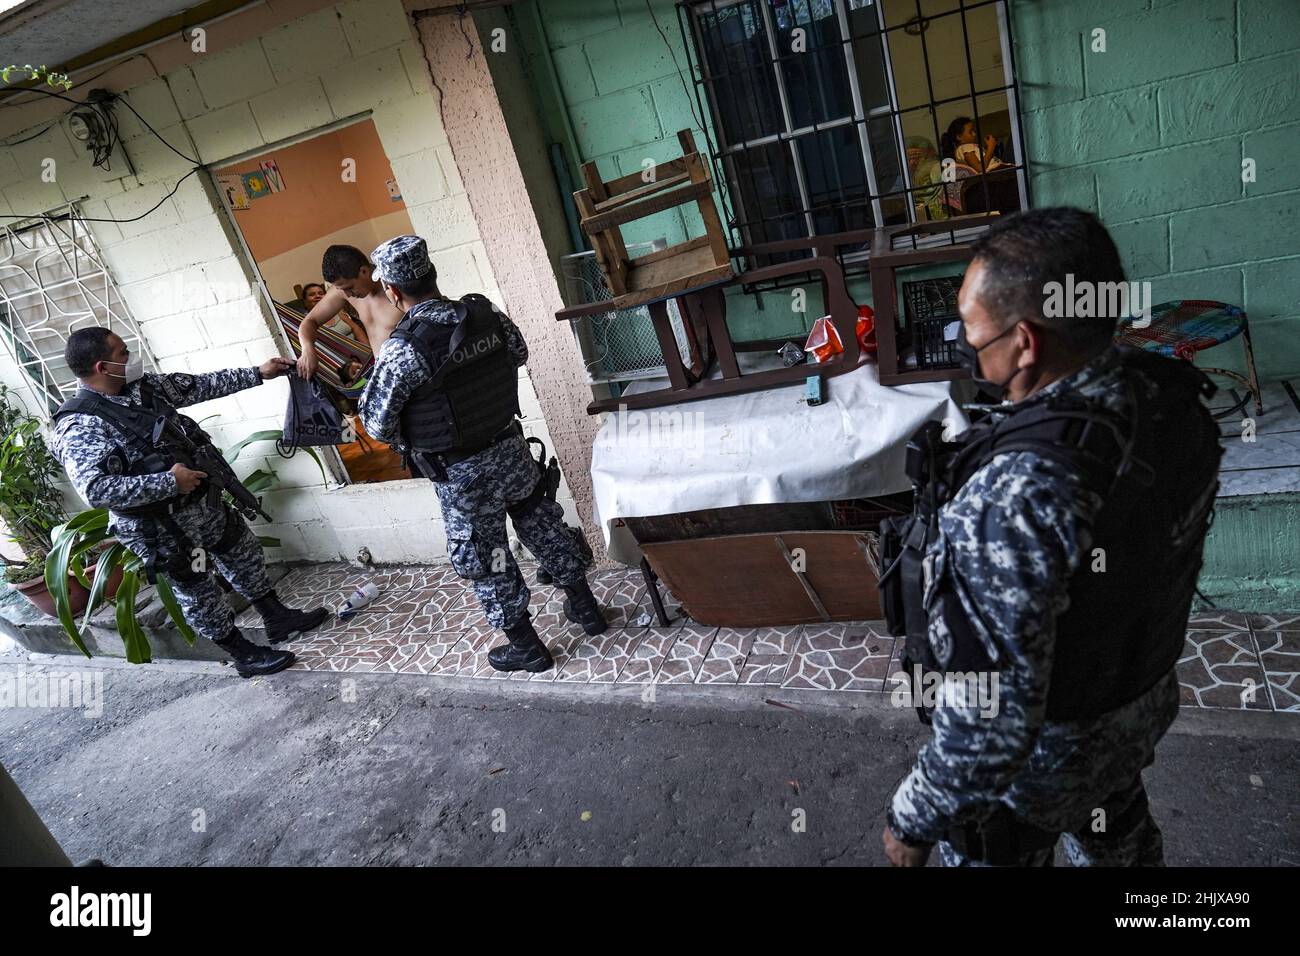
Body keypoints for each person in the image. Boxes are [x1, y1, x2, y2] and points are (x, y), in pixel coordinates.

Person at [879, 208, 1222, 866]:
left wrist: (912, 820)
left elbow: (989, 725)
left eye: (973, 334)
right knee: (1118, 839)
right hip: (1134, 715)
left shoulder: (1013, 495)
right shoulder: (1169, 399)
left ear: (1026, 343)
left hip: (1045, 765)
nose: (964, 345)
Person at [358, 235, 606, 673]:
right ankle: (587, 609)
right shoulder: (483, 313)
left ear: (393, 292)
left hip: (464, 476)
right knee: (542, 524)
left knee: (486, 555)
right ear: (432, 274)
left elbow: (376, 424)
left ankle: (527, 647)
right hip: (510, 451)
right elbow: (519, 352)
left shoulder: (403, 348)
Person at [52, 328, 330, 678]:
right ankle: (242, 654)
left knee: (241, 553)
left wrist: (259, 373)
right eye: (124, 352)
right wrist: (170, 482)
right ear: (101, 366)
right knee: (198, 587)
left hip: (203, 506)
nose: (132, 356)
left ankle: (277, 617)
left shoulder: (143, 388)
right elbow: (97, 489)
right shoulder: (79, 423)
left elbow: (198, 386)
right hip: (163, 530)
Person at [296, 245, 404, 380]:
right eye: (342, 290)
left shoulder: (398, 288)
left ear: (364, 271)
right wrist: (307, 349)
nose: (347, 294)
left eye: (349, 288)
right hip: (385, 377)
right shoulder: (343, 290)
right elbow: (309, 322)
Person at [301, 281, 367, 343]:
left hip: (359, 349)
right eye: (312, 294)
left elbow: (356, 328)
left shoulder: (338, 312)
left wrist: (368, 349)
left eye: (320, 293)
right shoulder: (307, 323)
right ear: (305, 301)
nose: (317, 296)